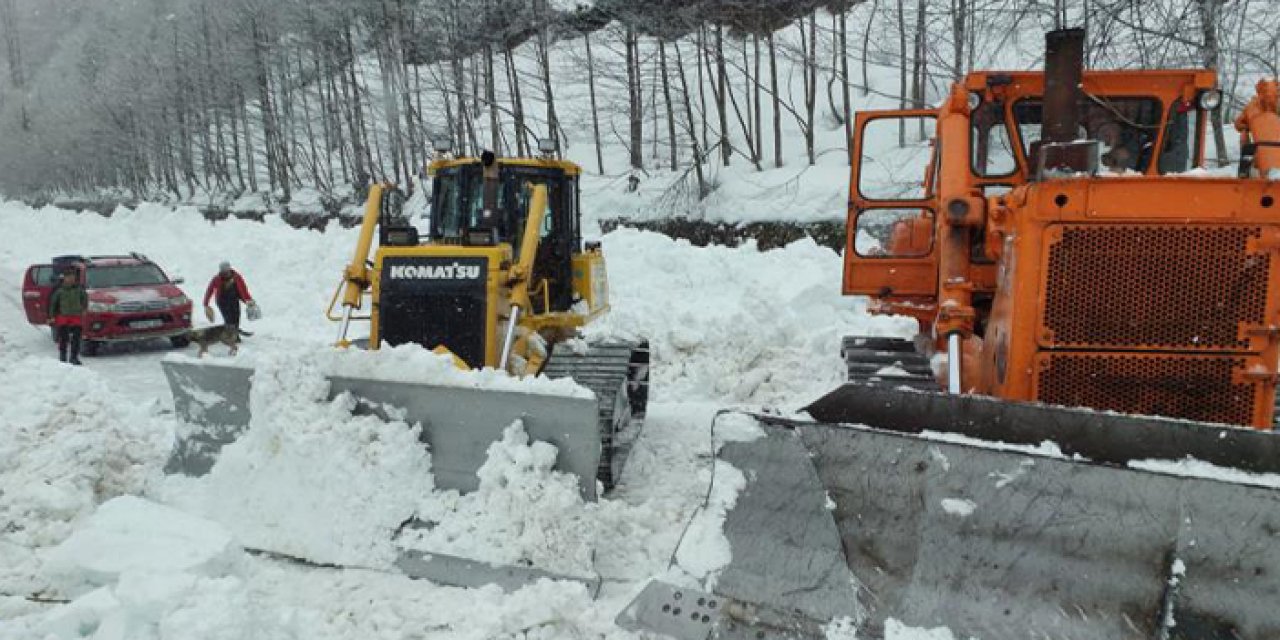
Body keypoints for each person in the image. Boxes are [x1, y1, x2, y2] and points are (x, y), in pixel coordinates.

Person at [47, 268, 88, 365]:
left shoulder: (79, 289)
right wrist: (51, 316)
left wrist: (84, 309)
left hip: (76, 317)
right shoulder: (59, 290)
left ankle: (74, 357)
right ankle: (63, 356)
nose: (70, 279)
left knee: (76, 338)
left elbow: (84, 299)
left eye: (72, 277)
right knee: (63, 338)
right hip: (63, 317)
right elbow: (53, 304)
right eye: (68, 277)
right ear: (64, 278)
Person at [203, 261, 256, 329]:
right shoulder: (217, 279)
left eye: (226, 271)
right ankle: (230, 335)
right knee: (228, 319)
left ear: (229, 269)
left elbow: (243, 289)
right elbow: (209, 290)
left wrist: (249, 300)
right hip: (222, 301)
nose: (224, 273)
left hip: (234, 300)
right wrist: (206, 303)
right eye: (223, 271)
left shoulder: (236, 277)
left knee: (236, 317)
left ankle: (235, 333)